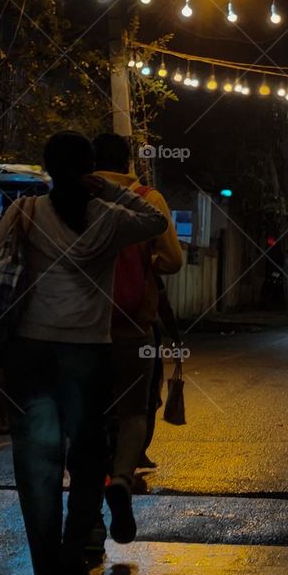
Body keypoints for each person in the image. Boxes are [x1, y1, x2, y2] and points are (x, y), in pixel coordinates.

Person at [0, 131, 168, 575]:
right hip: (87, 353)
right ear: (89, 167)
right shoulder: (108, 217)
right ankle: (75, 554)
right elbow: (156, 221)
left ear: (48, 166)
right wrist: (109, 189)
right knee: (88, 457)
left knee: (38, 472)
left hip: (30, 353)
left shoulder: (26, 212)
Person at [92, 133, 183, 508]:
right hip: (134, 326)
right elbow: (174, 261)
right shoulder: (148, 199)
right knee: (133, 411)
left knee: (88, 414)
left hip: (81, 329)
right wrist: (146, 265)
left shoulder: (76, 197)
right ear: (127, 162)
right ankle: (123, 477)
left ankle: (90, 513)